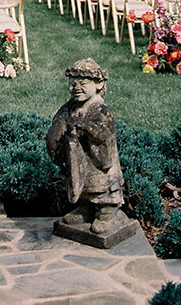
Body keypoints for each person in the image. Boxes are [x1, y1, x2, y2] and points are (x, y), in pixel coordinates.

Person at [45, 58, 131, 246]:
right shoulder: (70, 107)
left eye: (83, 84)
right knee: (82, 184)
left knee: (101, 185)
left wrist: (84, 126)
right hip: (78, 157)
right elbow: (59, 122)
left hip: (98, 160)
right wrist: (54, 136)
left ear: (98, 84)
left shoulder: (100, 108)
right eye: (72, 83)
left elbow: (103, 133)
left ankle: (106, 211)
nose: (76, 88)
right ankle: (86, 207)